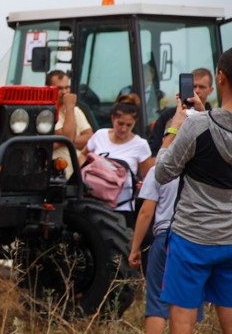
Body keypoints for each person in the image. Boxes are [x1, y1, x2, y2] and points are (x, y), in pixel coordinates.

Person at [150, 49, 232, 334]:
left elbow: (163, 172)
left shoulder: (197, 126)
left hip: (191, 239)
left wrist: (174, 128)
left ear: (219, 77)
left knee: (182, 324)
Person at [125, 164, 203, 334]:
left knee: (158, 298)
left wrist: (135, 247)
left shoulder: (161, 169)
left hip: (167, 235)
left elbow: (146, 211)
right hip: (197, 238)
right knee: (189, 300)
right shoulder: (205, 165)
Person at [84, 94, 154, 228]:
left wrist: (142, 185)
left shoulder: (141, 145)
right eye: (120, 123)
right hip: (95, 202)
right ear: (112, 118)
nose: (123, 129)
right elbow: (83, 156)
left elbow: (148, 177)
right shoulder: (100, 135)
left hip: (123, 207)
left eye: (129, 125)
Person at [147, 68, 213, 156]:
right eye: (193, 86)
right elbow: (153, 149)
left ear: (211, 90)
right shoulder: (168, 116)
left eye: (202, 87)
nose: (197, 91)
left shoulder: (214, 118)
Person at [47, 70, 93, 178]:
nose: (64, 92)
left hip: (78, 174)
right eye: (59, 88)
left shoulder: (75, 110)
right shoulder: (47, 114)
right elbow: (68, 136)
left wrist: (61, 142)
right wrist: (69, 106)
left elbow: (90, 137)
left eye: (67, 87)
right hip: (57, 175)